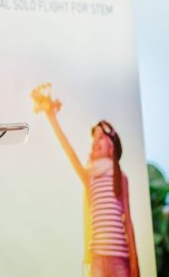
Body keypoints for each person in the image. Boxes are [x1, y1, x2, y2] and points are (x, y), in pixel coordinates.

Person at [31, 83, 140, 277]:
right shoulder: (89, 177)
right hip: (97, 258)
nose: (96, 141)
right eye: (94, 138)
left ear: (112, 146)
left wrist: (134, 264)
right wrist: (51, 117)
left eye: (101, 137)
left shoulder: (120, 178)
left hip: (120, 259)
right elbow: (69, 150)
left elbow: (128, 222)